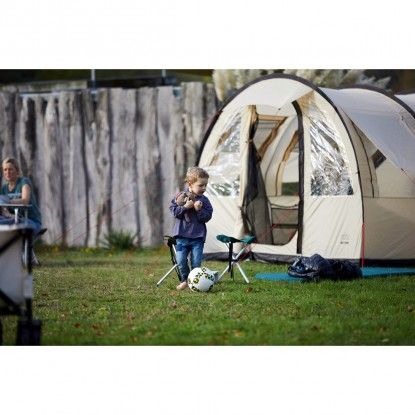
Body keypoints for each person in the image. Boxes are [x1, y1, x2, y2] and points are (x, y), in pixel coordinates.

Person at [169, 167, 213, 290]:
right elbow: (174, 212)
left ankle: (196, 282)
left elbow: (207, 217)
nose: (204, 188)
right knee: (181, 260)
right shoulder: (180, 197)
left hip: (197, 238)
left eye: (206, 185)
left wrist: (199, 210)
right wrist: (185, 207)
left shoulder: (205, 201)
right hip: (181, 236)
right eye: (201, 185)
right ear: (190, 184)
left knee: (196, 263)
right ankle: (185, 280)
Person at [0, 157, 42, 235]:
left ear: (17, 170)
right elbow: (4, 211)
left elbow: (25, 200)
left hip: (31, 221)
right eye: (5, 170)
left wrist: (8, 201)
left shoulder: (24, 182)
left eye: (10, 169)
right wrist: (10, 215)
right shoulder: (4, 189)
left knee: (16, 222)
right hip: (14, 220)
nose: (7, 172)